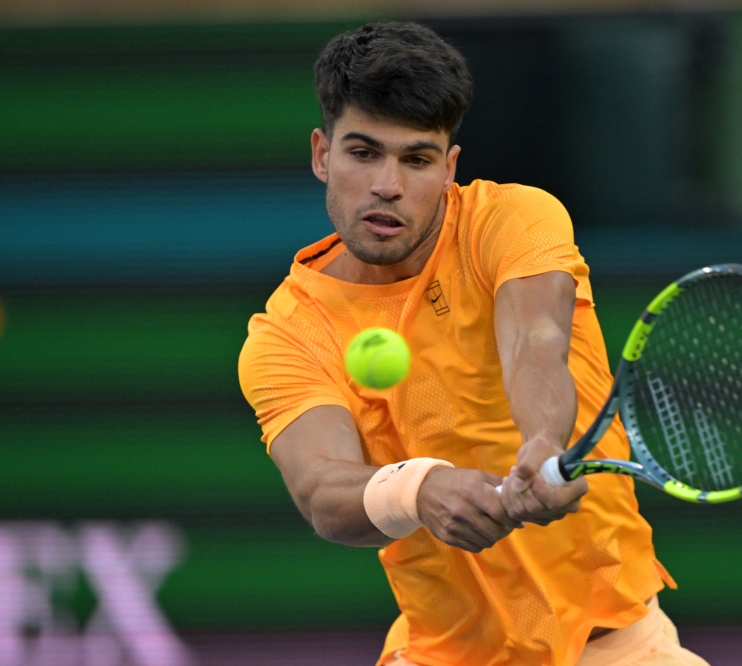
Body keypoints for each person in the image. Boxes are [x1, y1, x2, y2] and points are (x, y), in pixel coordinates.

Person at [238, 22, 709, 666]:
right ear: (323, 154)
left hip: (621, 648)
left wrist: (545, 444)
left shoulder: (513, 220)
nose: (387, 186)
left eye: (416, 159)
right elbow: (322, 491)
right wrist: (420, 490)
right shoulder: (289, 332)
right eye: (363, 153)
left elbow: (535, 343)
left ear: (450, 167)